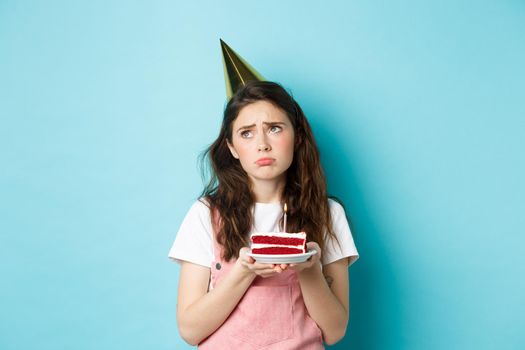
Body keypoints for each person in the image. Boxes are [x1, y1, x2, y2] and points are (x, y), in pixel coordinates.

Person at [168, 81, 359, 349]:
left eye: (274, 129)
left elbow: (335, 330)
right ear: (232, 147)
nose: (262, 145)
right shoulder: (205, 214)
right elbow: (190, 330)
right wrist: (243, 272)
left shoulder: (328, 214)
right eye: (247, 133)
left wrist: (310, 268)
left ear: (298, 137)